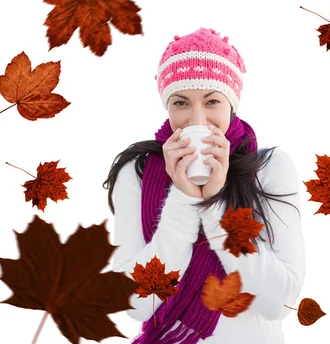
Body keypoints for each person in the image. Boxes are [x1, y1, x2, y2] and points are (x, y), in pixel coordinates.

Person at [102, 27, 306, 344]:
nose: (197, 120)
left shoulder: (269, 168)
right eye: (181, 103)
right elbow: (137, 303)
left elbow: (278, 301)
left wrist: (216, 206)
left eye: (212, 101)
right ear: (167, 106)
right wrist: (182, 201)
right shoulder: (138, 171)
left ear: (231, 104)